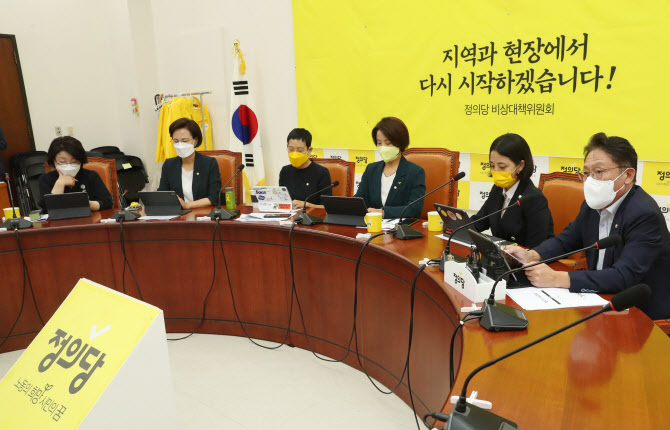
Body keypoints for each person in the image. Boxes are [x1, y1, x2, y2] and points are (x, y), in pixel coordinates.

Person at [504, 132, 670, 320]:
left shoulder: (644, 215)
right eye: (586, 173)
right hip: (599, 298)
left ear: (627, 175)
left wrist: (557, 278)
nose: (590, 180)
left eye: (598, 172)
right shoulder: (593, 205)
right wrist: (532, 255)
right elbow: (566, 240)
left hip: (642, 315)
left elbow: (624, 276)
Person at [471, 133, 554, 248]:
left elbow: (536, 248)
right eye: (492, 166)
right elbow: (479, 222)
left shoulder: (534, 198)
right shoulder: (497, 190)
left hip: (525, 257)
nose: (496, 171)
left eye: (502, 167)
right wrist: (455, 225)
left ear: (520, 166)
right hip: (501, 256)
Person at [354, 117, 426, 219]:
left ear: (400, 143)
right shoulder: (371, 169)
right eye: (379, 143)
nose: (383, 147)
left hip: (399, 227)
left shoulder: (415, 172)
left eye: (388, 143)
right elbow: (358, 201)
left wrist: (383, 212)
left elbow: (413, 210)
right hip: (371, 225)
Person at [158, 118, 221, 209]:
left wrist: (187, 205)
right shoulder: (169, 165)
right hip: (178, 214)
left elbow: (214, 197)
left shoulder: (209, 163)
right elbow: (162, 194)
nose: (180, 145)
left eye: (184, 141)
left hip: (203, 213)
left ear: (195, 141)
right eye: (176, 141)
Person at [38, 136, 114, 212]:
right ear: (53, 162)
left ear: (81, 160)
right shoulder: (45, 179)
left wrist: (87, 204)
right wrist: (60, 184)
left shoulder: (91, 176)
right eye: (62, 162)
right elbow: (45, 210)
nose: (68, 165)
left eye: (74, 162)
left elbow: (108, 203)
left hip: (89, 218)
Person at [278, 128, 332, 209]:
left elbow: (327, 207)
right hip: (289, 215)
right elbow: (281, 200)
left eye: (300, 150)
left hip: (312, 215)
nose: (295, 154)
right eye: (291, 149)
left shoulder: (322, 172)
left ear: (309, 150)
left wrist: (307, 205)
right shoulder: (285, 171)